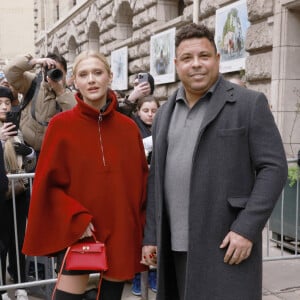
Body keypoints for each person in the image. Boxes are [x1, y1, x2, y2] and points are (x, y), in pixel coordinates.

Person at [141, 23, 288, 300]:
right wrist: (151, 236)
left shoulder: (248, 104)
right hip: (174, 245)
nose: (196, 64)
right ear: (176, 64)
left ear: (217, 59)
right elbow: (156, 180)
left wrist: (246, 229)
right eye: (187, 58)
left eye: (204, 56)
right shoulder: (164, 114)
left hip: (227, 243)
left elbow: (274, 168)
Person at [22, 50, 149, 300]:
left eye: (98, 72)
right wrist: (75, 218)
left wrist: (140, 230)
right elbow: (48, 184)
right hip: (82, 230)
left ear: (109, 77)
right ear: (74, 82)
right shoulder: (60, 125)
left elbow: (140, 183)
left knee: (110, 296)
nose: (91, 79)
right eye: (84, 74)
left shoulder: (129, 128)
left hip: (120, 228)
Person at [0, 86, 36, 300]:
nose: (4, 106)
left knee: (19, 240)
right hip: (0, 193)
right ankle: (2, 288)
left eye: (7, 102)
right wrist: (1, 141)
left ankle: (20, 282)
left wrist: (29, 152)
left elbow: (29, 162)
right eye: (0, 102)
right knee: (1, 243)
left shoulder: (17, 128)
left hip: (19, 191)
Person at [4, 53, 76, 156]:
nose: (53, 74)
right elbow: (9, 71)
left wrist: (60, 92)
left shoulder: (69, 95)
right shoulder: (32, 82)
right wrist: (34, 61)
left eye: (57, 71)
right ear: (43, 70)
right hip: (27, 149)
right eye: (49, 69)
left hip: (54, 153)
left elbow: (75, 120)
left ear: (65, 73)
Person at [130, 95, 160, 296]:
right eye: (146, 110)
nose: (150, 115)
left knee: (155, 232)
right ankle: (137, 275)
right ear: (138, 111)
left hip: (157, 187)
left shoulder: (163, 126)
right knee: (138, 234)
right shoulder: (132, 128)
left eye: (154, 110)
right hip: (137, 187)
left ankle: (154, 273)